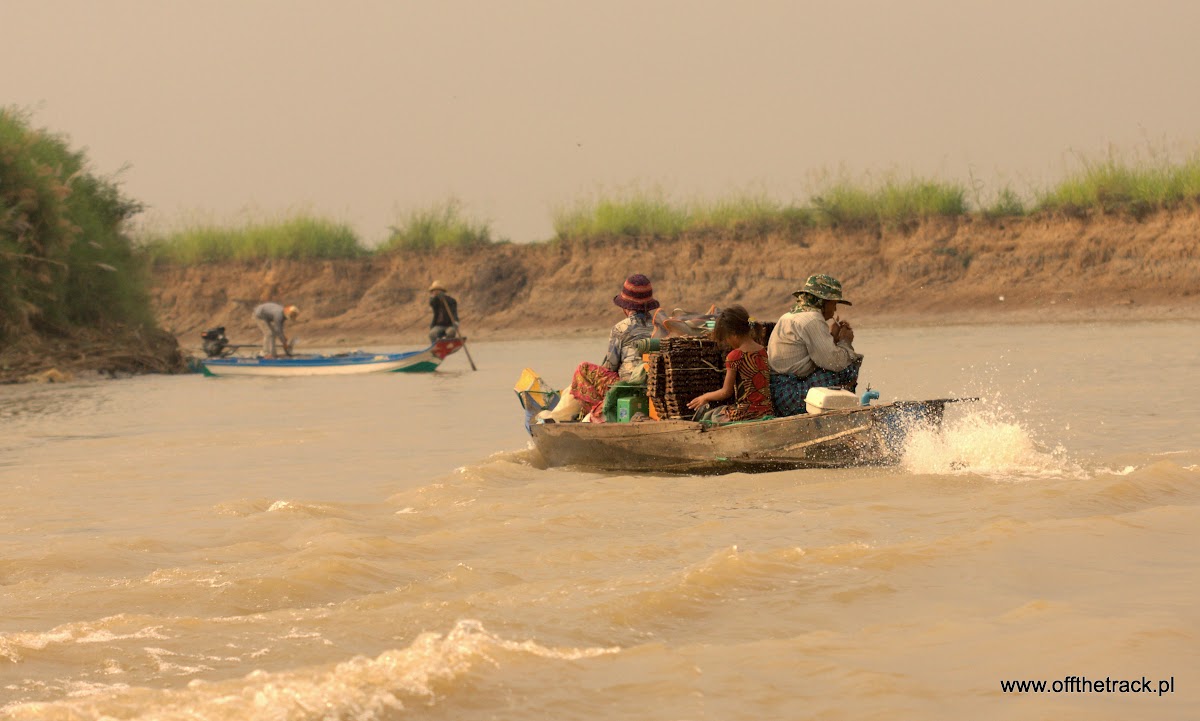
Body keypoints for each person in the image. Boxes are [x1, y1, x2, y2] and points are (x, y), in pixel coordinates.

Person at [540, 273, 660, 422]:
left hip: (628, 385)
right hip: (653, 383)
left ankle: (596, 411)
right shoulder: (660, 327)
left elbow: (610, 366)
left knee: (583, 369)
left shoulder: (621, 328)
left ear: (625, 306)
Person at [767, 274, 863, 416]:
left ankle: (834, 407)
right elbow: (835, 363)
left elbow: (816, 355)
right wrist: (845, 342)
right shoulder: (812, 319)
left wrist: (832, 338)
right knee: (848, 368)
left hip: (779, 391)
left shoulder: (792, 315)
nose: (835, 310)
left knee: (844, 364)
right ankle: (840, 412)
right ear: (823, 302)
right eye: (834, 304)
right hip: (788, 394)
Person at [686, 305, 774, 424]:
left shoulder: (735, 356)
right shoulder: (762, 351)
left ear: (733, 333)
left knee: (711, 415)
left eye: (726, 338)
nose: (727, 342)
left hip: (746, 414)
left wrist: (705, 397)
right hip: (766, 411)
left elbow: (726, 392)